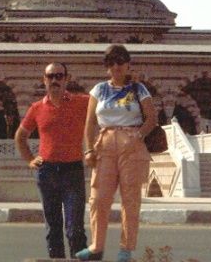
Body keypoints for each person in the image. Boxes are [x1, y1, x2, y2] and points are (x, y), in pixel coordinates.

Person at [76, 45, 157, 262]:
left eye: (120, 61)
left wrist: (137, 136)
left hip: (131, 144)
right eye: (111, 63)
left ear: (128, 64)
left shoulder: (138, 89)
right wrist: (89, 149)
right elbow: (90, 123)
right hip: (105, 143)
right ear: (107, 67)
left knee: (130, 198)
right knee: (98, 198)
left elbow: (151, 118)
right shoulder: (99, 90)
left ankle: (126, 249)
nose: (116, 66)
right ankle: (96, 246)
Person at [15, 62, 90, 259]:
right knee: (53, 228)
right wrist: (30, 159)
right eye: (50, 76)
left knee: (75, 228)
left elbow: (105, 104)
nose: (55, 80)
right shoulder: (37, 108)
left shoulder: (82, 102)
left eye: (59, 76)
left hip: (72, 172)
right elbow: (20, 137)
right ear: (44, 80)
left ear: (67, 79)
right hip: (46, 172)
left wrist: (128, 82)